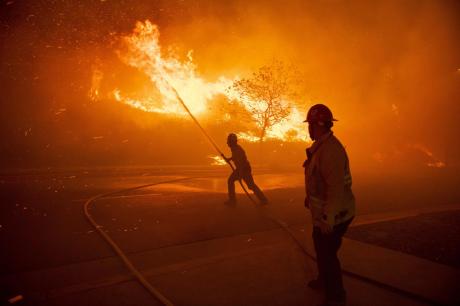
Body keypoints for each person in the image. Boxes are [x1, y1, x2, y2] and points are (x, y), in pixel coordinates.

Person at [303, 104, 356, 306]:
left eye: (310, 125)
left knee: (328, 255)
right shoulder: (322, 146)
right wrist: (311, 198)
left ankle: (336, 295)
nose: (308, 129)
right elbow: (319, 179)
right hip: (326, 213)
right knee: (321, 248)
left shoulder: (330, 151)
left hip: (336, 215)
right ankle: (324, 280)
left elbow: (336, 189)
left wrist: (328, 218)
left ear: (318, 125)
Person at [221, 133, 268, 205]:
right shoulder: (234, 148)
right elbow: (235, 157)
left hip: (244, 169)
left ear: (231, 142)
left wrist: (240, 174)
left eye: (228, 141)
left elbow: (241, 163)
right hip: (242, 168)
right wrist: (229, 159)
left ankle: (264, 200)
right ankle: (232, 201)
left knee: (250, 185)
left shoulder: (237, 149)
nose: (227, 143)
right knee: (231, 181)